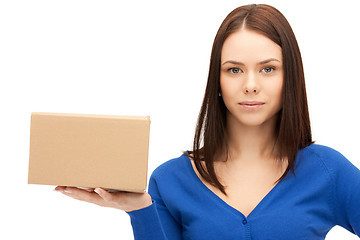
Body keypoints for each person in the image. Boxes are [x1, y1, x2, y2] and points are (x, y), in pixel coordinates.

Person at [55, 4, 360, 239]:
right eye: (234, 70)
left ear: (289, 77)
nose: (251, 84)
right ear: (217, 80)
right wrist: (139, 210)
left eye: (268, 69)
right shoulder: (171, 180)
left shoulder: (328, 171)